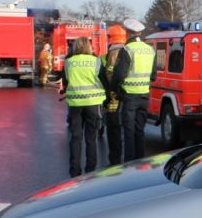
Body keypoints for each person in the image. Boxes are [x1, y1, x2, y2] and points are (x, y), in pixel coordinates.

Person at [59, 37, 106, 177]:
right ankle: (90, 171)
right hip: (93, 103)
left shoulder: (69, 62)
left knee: (76, 137)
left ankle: (74, 171)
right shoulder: (96, 61)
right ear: (89, 47)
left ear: (75, 46)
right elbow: (104, 81)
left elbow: (65, 82)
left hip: (75, 104)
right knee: (91, 138)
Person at [111, 18, 156, 162]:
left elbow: (119, 74)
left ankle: (129, 163)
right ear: (140, 33)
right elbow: (153, 76)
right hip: (144, 96)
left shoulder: (127, 49)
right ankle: (140, 161)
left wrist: (113, 89)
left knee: (128, 131)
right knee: (139, 130)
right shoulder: (150, 50)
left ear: (128, 33)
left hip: (129, 96)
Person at [103, 25, 127, 166]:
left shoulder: (113, 52)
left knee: (113, 128)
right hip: (128, 94)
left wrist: (110, 92)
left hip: (114, 96)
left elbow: (110, 73)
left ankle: (115, 161)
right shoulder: (127, 50)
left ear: (111, 37)